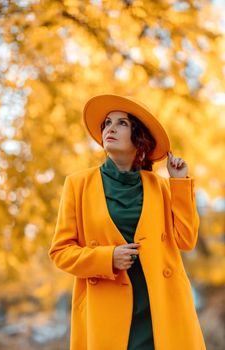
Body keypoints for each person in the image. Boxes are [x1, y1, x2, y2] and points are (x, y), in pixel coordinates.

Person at [48, 94, 206, 350]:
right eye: (107, 123)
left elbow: (186, 240)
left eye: (122, 123)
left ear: (139, 138)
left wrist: (179, 182)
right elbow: (60, 252)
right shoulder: (78, 184)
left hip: (161, 310)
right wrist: (107, 258)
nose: (110, 128)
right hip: (107, 311)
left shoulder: (161, 187)